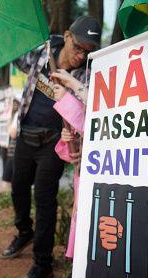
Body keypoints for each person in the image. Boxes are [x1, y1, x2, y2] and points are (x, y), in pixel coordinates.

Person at [3, 16, 101, 278]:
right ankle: (24, 231)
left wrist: (71, 86)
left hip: (55, 143)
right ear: (67, 36)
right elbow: (15, 56)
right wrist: (13, 32)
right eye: (77, 47)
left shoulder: (88, 72)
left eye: (87, 51)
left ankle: (42, 262)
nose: (81, 55)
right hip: (27, 133)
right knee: (18, 187)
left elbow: (92, 105)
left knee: (45, 199)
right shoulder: (43, 52)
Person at [50, 70, 88, 259]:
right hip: (84, 173)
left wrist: (69, 92)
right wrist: (70, 139)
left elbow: (99, 114)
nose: (80, 55)